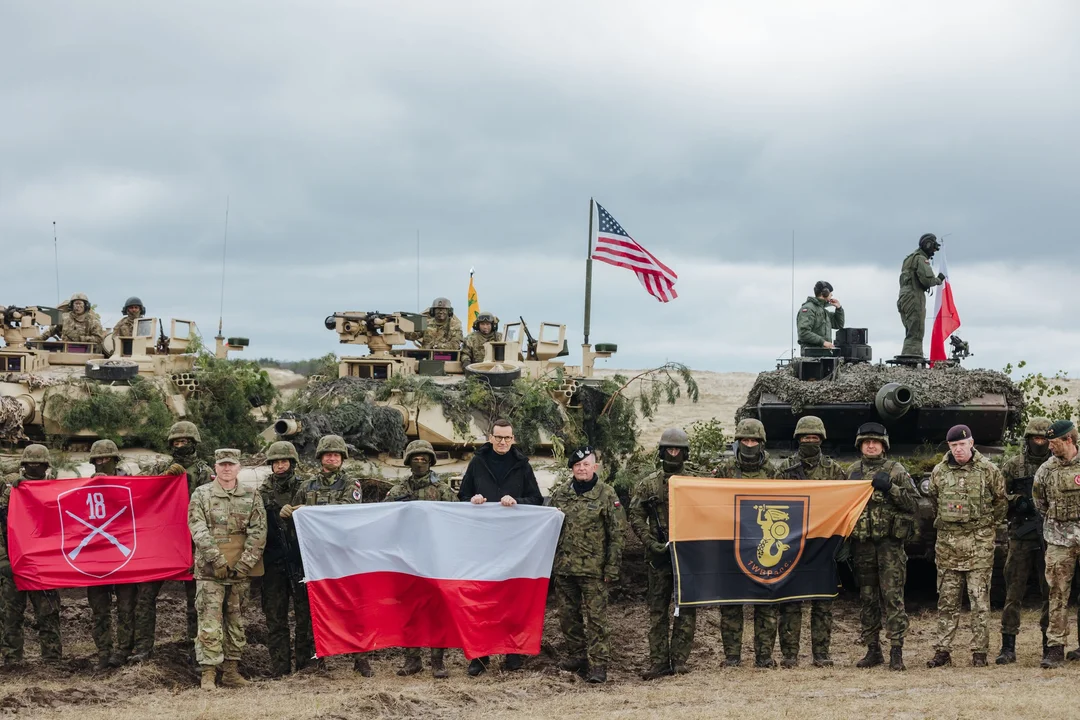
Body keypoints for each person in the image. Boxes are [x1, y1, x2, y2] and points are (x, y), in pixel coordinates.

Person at [458, 419, 543, 676]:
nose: (503, 442)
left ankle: (512, 652)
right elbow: (462, 496)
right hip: (481, 542)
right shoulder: (477, 462)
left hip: (513, 543)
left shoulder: (522, 464)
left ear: (513, 438)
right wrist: (472, 500)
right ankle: (479, 655)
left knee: (510, 597)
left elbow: (536, 499)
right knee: (481, 598)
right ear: (490, 437)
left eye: (507, 438)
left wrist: (516, 501)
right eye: (498, 438)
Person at [280, 434, 368, 674]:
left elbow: (349, 513)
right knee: (312, 609)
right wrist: (288, 513)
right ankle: (313, 660)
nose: (332, 458)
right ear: (321, 458)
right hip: (313, 558)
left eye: (336, 454)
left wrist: (311, 510)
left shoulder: (351, 484)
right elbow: (295, 519)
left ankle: (360, 660)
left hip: (342, 556)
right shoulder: (306, 486)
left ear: (342, 458)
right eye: (328, 454)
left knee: (351, 608)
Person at [926, 425, 1007, 668]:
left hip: (978, 547)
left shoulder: (988, 470)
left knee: (980, 602)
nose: (958, 449)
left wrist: (984, 529)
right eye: (953, 446)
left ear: (971, 443)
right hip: (948, 548)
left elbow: (1001, 503)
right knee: (947, 602)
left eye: (962, 444)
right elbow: (934, 503)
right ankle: (943, 651)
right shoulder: (939, 472)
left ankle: (979, 652)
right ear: (949, 447)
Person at [134, 421, 213, 662]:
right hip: (160, 544)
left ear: (194, 443)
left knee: (196, 600)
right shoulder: (160, 466)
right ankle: (142, 649)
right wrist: (163, 478)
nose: (181, 446)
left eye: (185, 442)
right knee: (145, 597)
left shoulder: (204, 471)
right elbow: (136, 489)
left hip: (192, 543)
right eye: (177, 442)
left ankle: (195, 648)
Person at [189, 448, 267, 691]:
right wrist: (217, 560)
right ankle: (209, 674)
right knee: (209, 621)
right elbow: (197, 528)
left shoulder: (252, 495)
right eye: (222, 464)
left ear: (238, 467)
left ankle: (231, 671)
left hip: (239, 572)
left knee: (235, 621)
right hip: (209, 571)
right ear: (215, 467)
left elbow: (259, 532)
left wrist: (243, 565)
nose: (226, 468)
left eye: (231, 464)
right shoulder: (201, 494)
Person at [714, 419, 788, 668]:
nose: (749, 444)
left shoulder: (773, 472)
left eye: (753, 440)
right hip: (732, 545)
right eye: (744, 440)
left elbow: (785, 506)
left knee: (766, 604)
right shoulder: (725, 470)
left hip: (763, 545)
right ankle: (732, 657)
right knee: (731, 605)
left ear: (761, 443)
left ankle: (764, 657)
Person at [846, 422, 918, 671]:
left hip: (890, 547)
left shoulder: (896, 470)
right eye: (866, 442)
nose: (871, 445)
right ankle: (872, 649)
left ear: (884, 445)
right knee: (867, 598)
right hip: (863, 546)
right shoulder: (853, 472)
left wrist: (891, 488)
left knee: (893, 598)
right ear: (860, 445)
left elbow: (913, 504)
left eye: (875, 441)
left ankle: (896, 651)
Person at [629, 427, 699, 678]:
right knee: (657, 612)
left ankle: (680, 660)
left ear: (685, 453)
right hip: (659, 556)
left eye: (677, 450)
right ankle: (658, 661)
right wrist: (650, 543)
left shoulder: (695, 482)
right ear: (661, 452)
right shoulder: (648, 484)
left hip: (687, 555)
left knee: (687, 610)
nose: (673, 454)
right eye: (669, 449)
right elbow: (635, 515)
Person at [777, 416, 847, 667]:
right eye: (805, 438)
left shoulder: (834, 470)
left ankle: (821, 653)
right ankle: (789, 655)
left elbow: (845, 505)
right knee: (790, 603)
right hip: (791, 543)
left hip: (823, 544)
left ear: (821, 440)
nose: (809, 441)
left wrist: (843, 541)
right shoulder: (784, 469)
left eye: (814, 438)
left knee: (823, 602)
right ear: (798, 439)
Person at [550, 446, 624, 684]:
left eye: (586, 464)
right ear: (572, 468)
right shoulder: (560, 494)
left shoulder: (607, 494)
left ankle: (598, 665)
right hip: (564, 568)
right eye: (577, 465)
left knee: (596, 619)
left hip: (595, 571)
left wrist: (612, 567)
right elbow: (548, 529)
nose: (581, 469)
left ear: (595, 467)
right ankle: (577, 656)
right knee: (567, 617)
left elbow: (617, 533)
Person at [384, 440, 458, 678]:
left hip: (436, 559)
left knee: (437, 612)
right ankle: (412, 660)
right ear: (408, 462)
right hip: (407, 560)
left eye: (424, 458)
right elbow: (382, 516)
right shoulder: (397, 491)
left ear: (431, 461)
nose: (419, 462)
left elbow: (458, 517)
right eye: (415, 458)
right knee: (409, 611)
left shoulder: (444, 490)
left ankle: (437, 662)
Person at [996, 417, 1053, 664]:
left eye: (1043, 439)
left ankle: (1049, 644)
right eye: (1035, 439)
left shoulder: (1056, 466)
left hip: (1050, 537)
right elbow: (998, 498)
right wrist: (1016, 501)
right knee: (1013, 592)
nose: (1039, 443)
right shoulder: (1013, 466)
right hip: (1020, 535)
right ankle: (1008, 646)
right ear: (1028, 439)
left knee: (1050, 593)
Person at [0, 445, 63, 665]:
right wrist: (3, 560)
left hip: (42, 564)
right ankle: (12, 659)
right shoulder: (10, 491)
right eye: (29, 465)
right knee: (10, 616)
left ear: (46, 466)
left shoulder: (55, 489)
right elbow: (2, 527)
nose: (33, 468)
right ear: (23, 466)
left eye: (38, 465)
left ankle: (52, 659)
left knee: (48, 614)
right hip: (13, 563)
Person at [258, 440, 311, 676]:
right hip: (273, 562)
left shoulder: (307, 487)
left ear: (292, 463)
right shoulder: (262, 491)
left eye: (284, 461)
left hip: (301, 559)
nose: (280, 466)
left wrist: (301, 509)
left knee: (305, 617)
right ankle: (280, 668)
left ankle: (306, 665)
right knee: (275, 617)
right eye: (276, 462)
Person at [85, 439, 138, 669]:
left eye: (105, 459)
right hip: (95, 559)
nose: (101, 462)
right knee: (99, 609)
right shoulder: (84, 486)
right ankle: (104, 652)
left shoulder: (132, 484)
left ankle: (123, 650)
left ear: (115, 460)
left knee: (127, 607)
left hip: (124, 557)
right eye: (97, 460)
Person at [1032, 419, 1080, 668]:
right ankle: (1055, 649)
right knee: (1058, 593)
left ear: (1068, 440)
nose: (1050, 447)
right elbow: (1039, 503)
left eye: (1054, 443)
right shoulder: (1046, 470)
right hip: (1059, 541)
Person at [897, 233, 945, 357]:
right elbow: (927, 280)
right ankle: (913, 356)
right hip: (914, 296)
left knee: (910, 329)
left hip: (904, 297)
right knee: (916, 329)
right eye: (933, 248)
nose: (934, 252)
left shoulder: (909, 259)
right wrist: (939, 279)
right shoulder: (920, 259)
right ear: (928, 245)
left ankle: (910, 355)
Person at [38, 292, 105, 345]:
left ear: (85, 305)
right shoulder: (64, 318)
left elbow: (99, 338)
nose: (78, 306)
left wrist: (81, 339)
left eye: (80, 304)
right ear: (71, 305)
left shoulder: (93, 321)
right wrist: (38, 339)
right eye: (76, 304)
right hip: (65, 349)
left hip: (85, 350)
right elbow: (51, 330)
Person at [797, 282, 845, 351]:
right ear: (825, 293)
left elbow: (839, 324)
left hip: (823, 353)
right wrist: (823, 342)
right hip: (811, 355)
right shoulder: (808, 309)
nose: (832, 295)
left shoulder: (824, 312)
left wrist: (839, 308)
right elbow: (803, 332)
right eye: (830, 292)